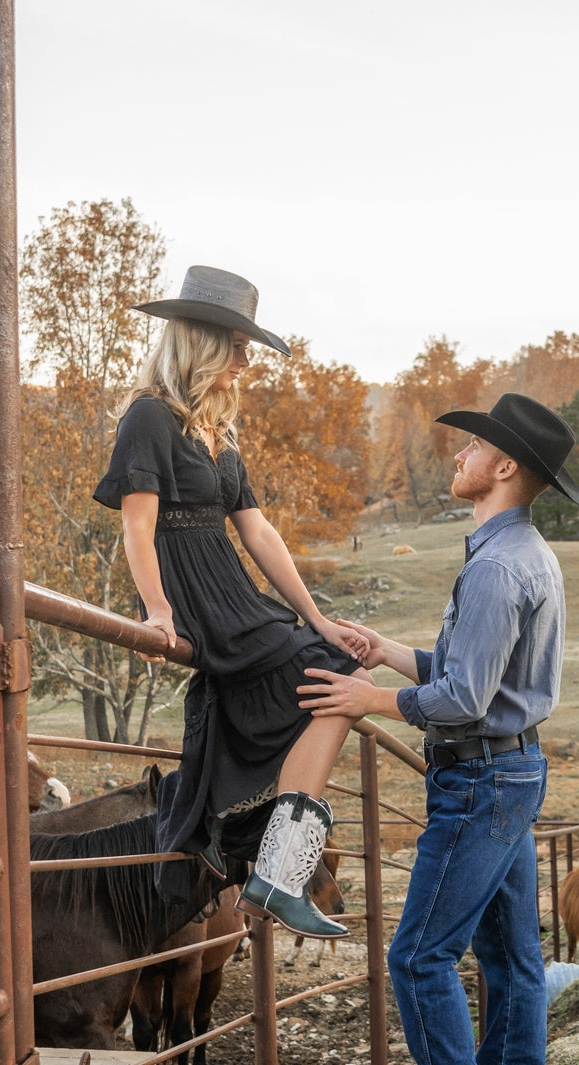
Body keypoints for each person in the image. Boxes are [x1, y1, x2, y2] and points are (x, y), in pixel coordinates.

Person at [298, 392, 579, 1065]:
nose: (458, 454)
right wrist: (387, 652)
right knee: (512, 963)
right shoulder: (526, 551)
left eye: (473, 448)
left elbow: (464, 699)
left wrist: (366, 701)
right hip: (513, 771)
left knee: (417, 955)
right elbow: (476, 673)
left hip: (481, 779)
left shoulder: (497, 565)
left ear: (504, 468)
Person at [93, 265, 372, 940]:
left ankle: (257, 852)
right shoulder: (149, 417)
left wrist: (315, 616)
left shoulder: (221, 435)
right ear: (201, 344)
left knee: (338, 663)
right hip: (194, 594)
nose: (247, 362)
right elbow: (137, 525)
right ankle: (275, 868)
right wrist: (157, 610)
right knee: (338, 678)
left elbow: (258, 531)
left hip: (233, 590)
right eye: (237, 347)